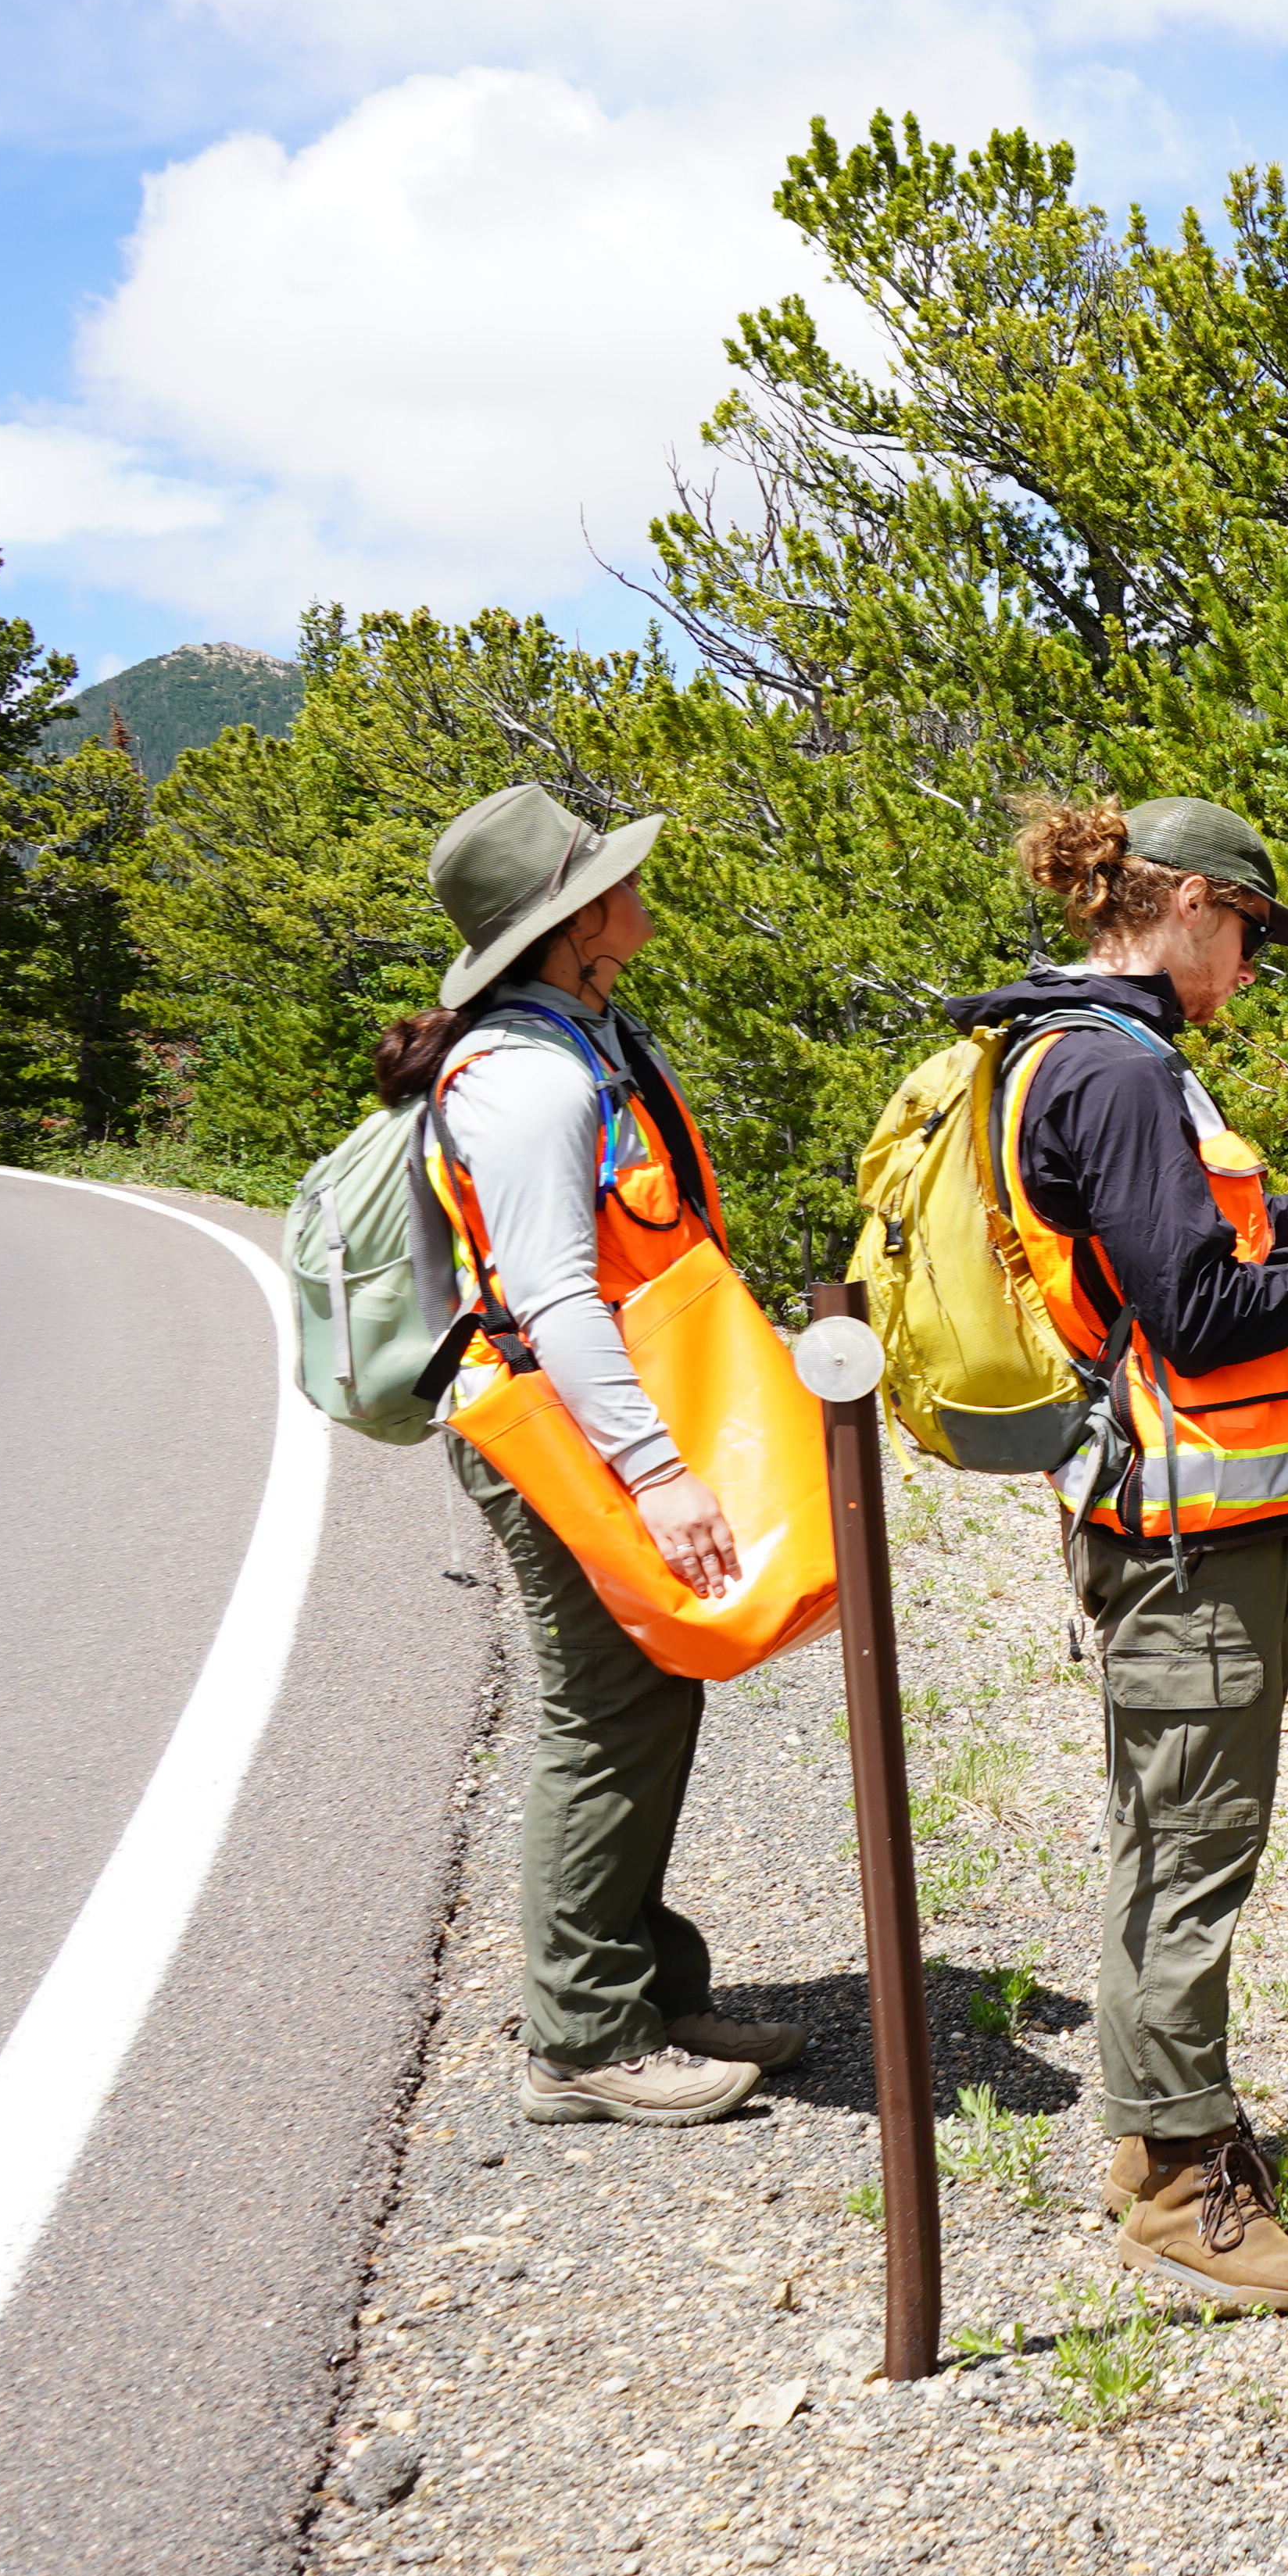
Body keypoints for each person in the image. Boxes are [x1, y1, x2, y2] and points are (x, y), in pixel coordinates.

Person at [950, 794, 1288, 2314]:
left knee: (1162, 1834)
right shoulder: (1122, 1075)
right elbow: (1200, 1310)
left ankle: (1153, 2133)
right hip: (1190, 1535)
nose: (1254, 962)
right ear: (1185, 902)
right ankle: (1188, 2186)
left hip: (1167, 1521)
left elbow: (1217, 1237)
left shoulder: (1079, 1053)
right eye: (1250, 929)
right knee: (1194, 1849)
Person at [389, 784, 807, 2131]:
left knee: (650, 1698)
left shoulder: (588, 1039)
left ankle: (643, 1990)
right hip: (557, 1439)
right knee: (601, 1716)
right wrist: (659, 1472)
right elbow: (557, 1302)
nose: (640, 900)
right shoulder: (529, 1078)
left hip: (595, 1426)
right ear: (570, 928)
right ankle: (579, 2038)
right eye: (614, 885)